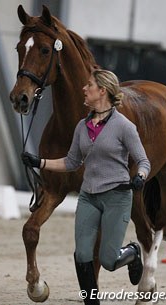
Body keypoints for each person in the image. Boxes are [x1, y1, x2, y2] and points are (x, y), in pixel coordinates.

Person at [22, 69, 151, 305]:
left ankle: (132, 252)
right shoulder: (82, 126)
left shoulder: (124, 126)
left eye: (89, 85)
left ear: (102, 91)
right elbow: (71, 161)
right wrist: (38, 162)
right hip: (88, 198)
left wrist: (140, 176)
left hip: (116, 198)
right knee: (82, 255)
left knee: (109, 260)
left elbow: (143, 161)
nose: (84, 88)